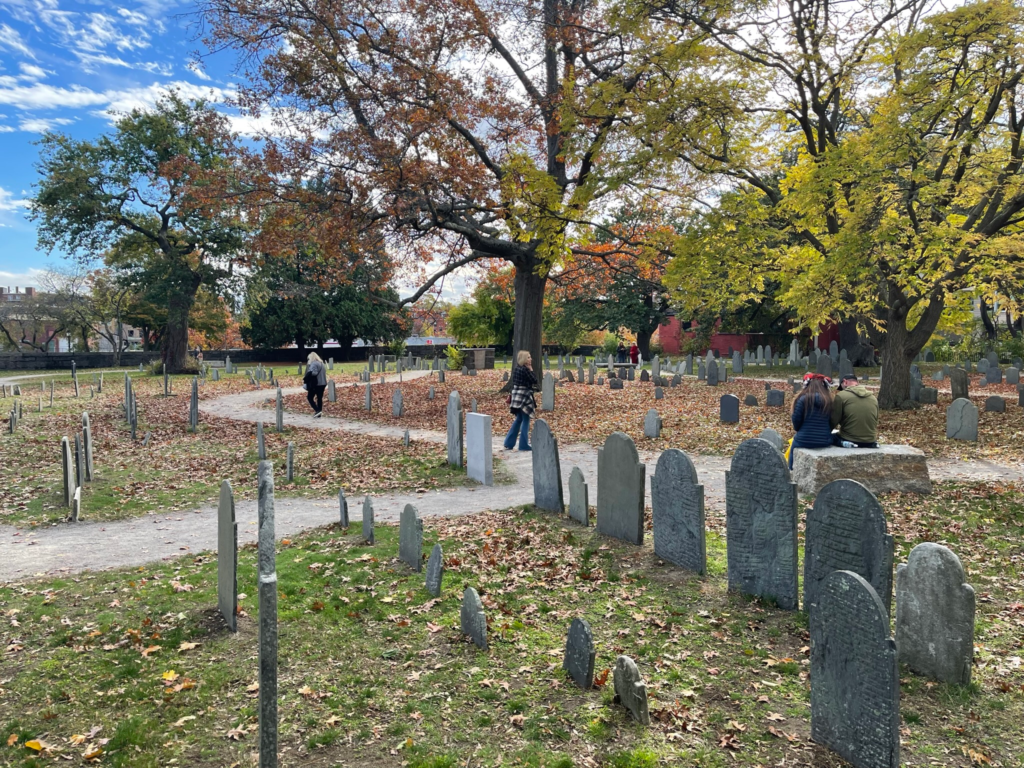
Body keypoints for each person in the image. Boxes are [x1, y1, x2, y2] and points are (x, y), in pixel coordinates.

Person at [790, 373, 834, 468]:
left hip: (803, 440)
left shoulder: (802, 399)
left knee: (792, 451)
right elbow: (831, 420)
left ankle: (791, 469)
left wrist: (799, 430)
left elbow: (796, 421)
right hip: (824, 440)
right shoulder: (828, 400)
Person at [831, 374, 879, 448]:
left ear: (845, 382)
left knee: (830, 437)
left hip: (849, 438)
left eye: (841, 386)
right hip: (871, 440)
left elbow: (834, 420)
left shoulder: (841, 396)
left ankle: (843, 443)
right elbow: (876, 419)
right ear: (857, 383)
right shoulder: (873, 397)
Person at [504, 350, 537, 451]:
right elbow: (534, 380)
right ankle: (523, 445)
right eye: (528, 357)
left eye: (530, 357)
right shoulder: (525, 370)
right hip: (524, 396)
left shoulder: (517, 369)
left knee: (519, 419)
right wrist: (531, 370)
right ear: (524, 359)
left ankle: (508, 443)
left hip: (516, 396)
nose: (530, 359)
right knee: (525, 420)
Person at [303, 352, 328, 417]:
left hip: (316, 384)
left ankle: (317, 410)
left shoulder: (314, 363)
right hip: (323, 383)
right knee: (319, 398)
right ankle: (319, 413)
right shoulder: (321, 363)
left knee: (310, 398)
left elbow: (314, 373)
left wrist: (308, 376)